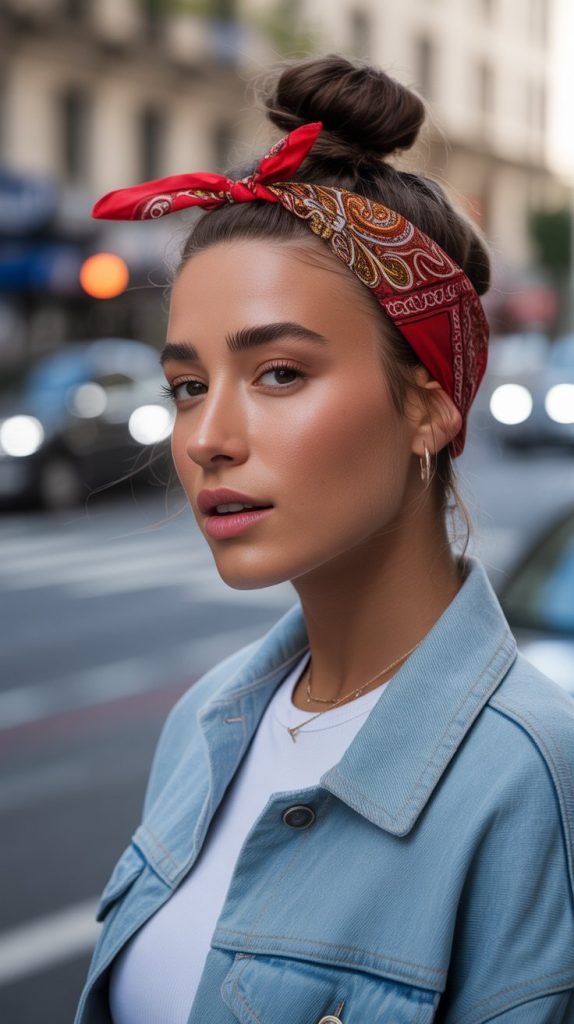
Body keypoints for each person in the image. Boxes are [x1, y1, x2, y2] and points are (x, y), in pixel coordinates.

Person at [75, 56, 574, 1024]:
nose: (208, 436)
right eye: (187, 384)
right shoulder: (205, 721)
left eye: (278, 374)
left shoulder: (534, 778)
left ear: (429, 406)